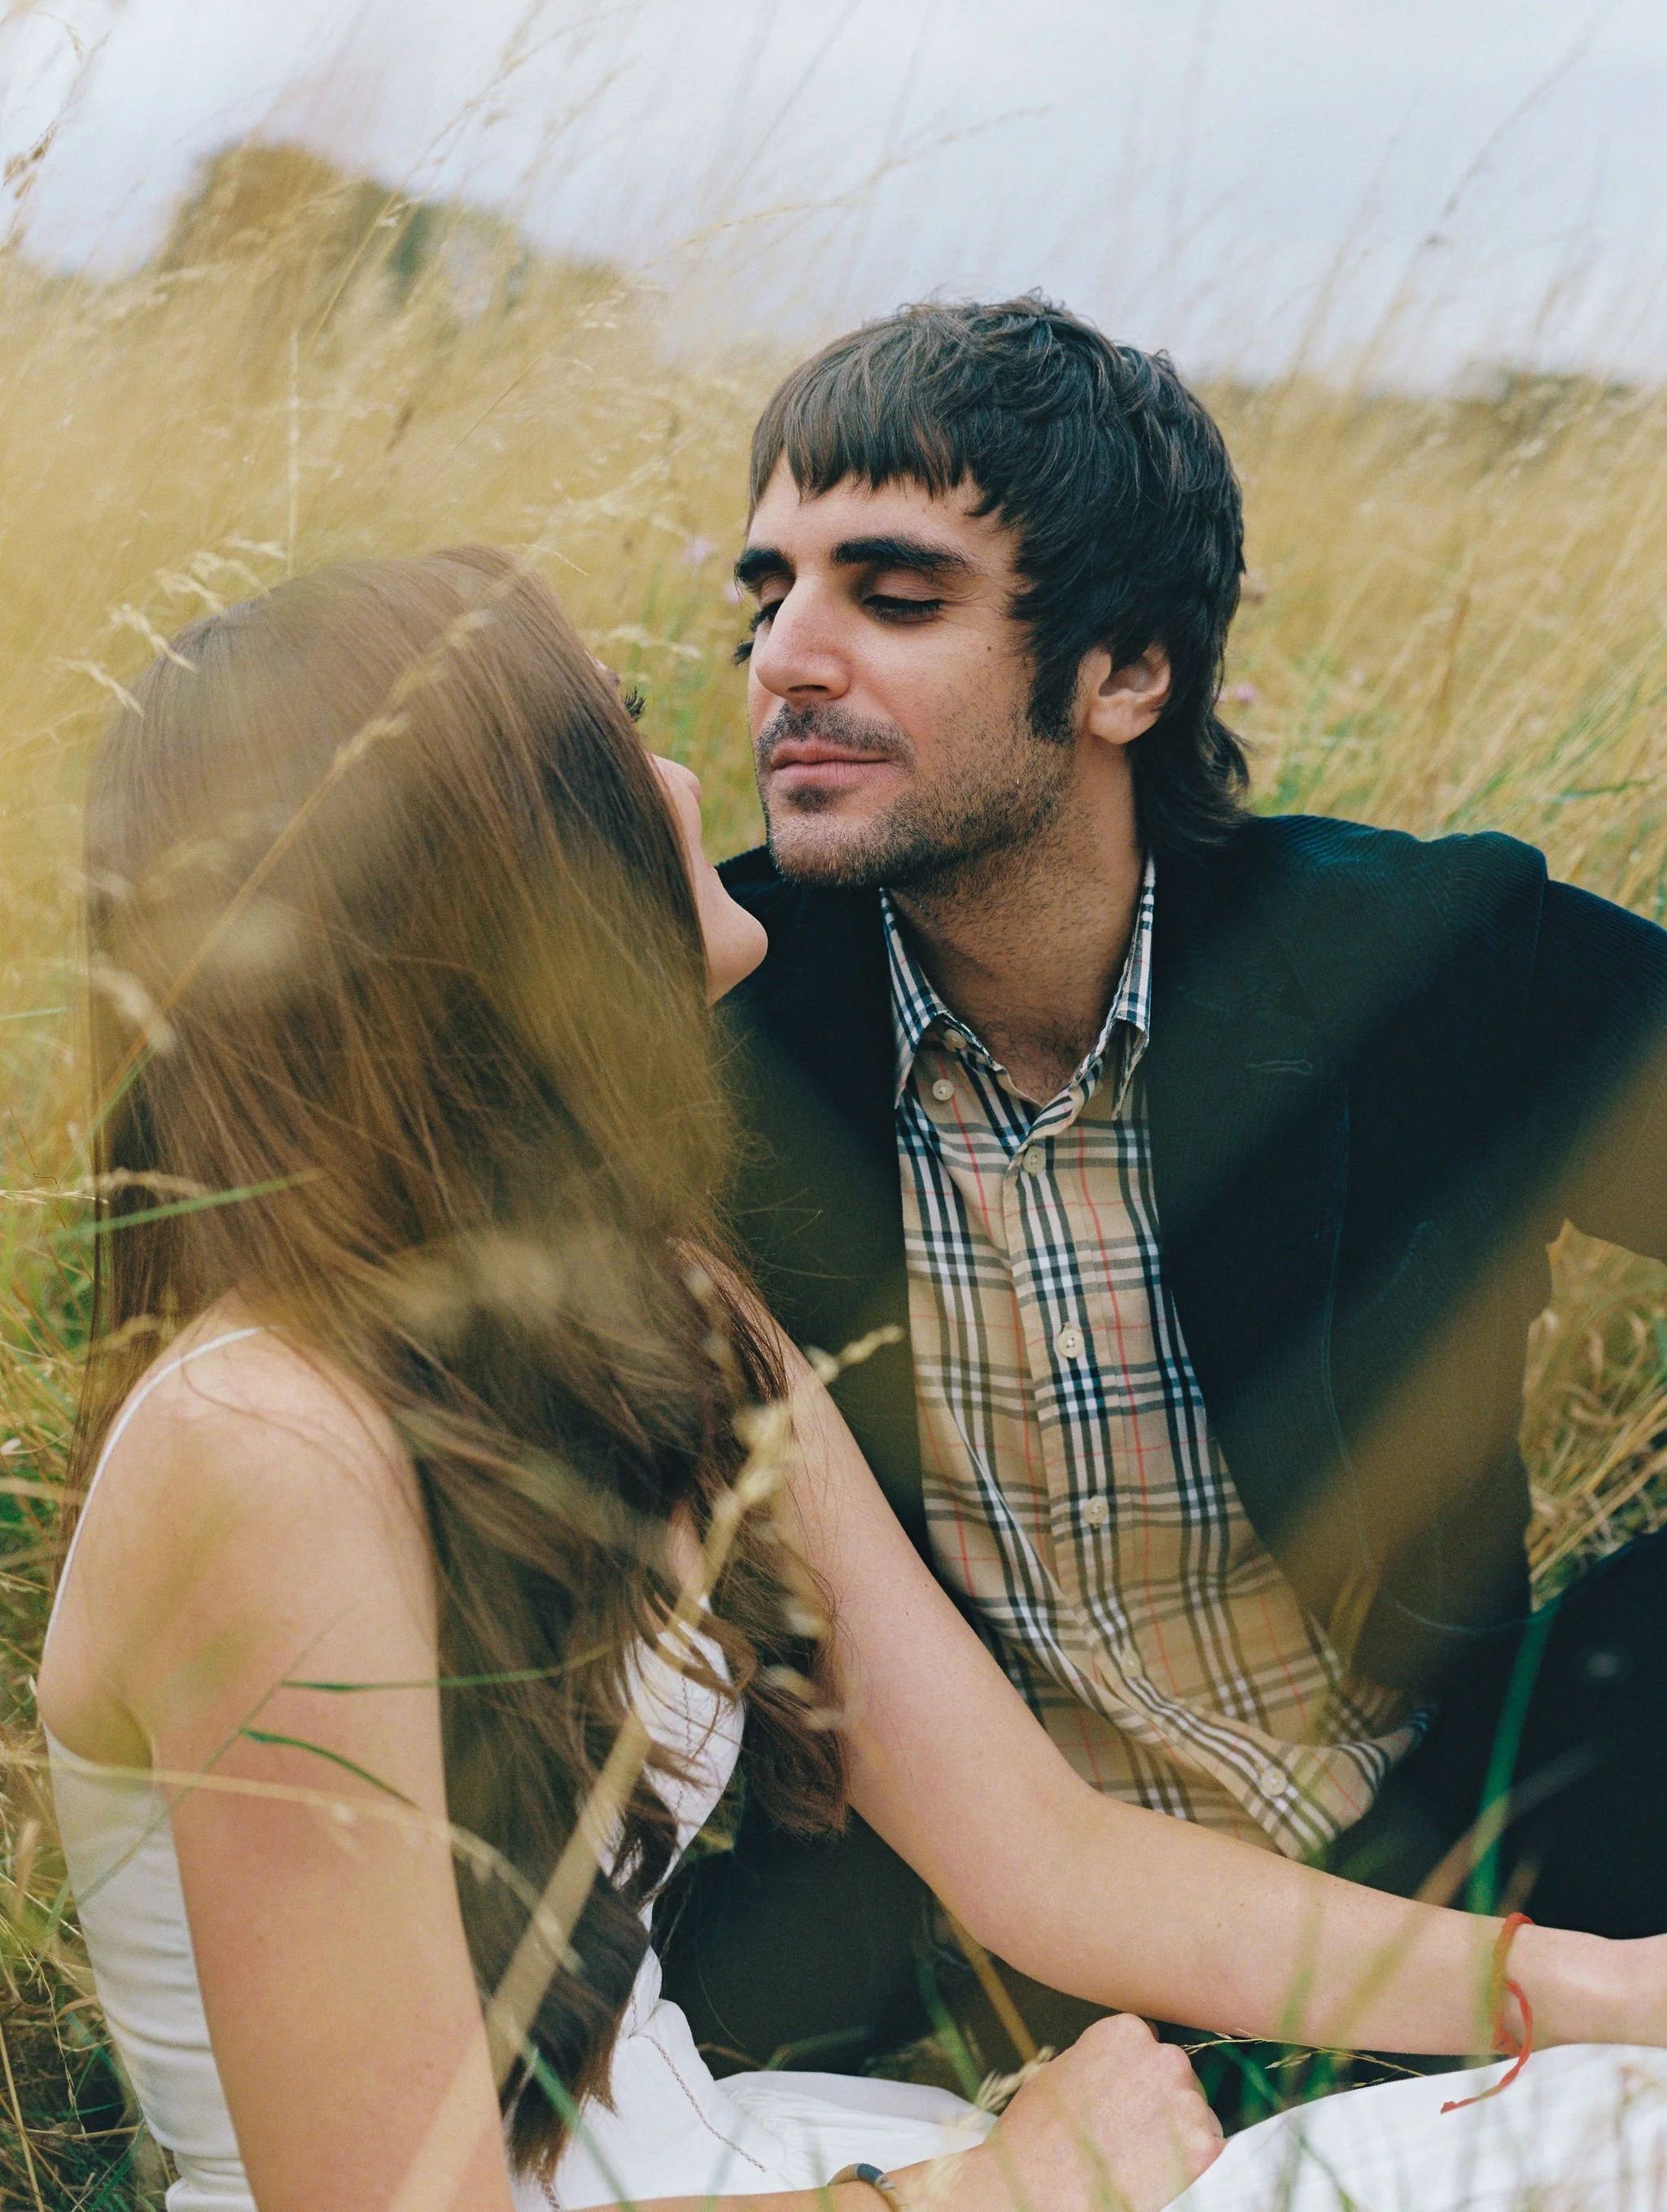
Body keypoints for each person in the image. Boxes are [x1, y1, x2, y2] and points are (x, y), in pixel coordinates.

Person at [37, 549, 1667, 2212]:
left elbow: (1045, 1858)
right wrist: (991, 2191)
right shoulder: (265, 1445)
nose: (688, 772)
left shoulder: (660, 1309)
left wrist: (1603, 1989)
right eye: (617, 733)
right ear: (498, 870)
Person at [656, 295, 1667, 2094]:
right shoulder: (715, 1032)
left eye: (895, 597)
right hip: (991, 1958)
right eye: (768, 594)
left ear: (1127, 673)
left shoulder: (1417, 958)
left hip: (1467, 1853)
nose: (786, 660)